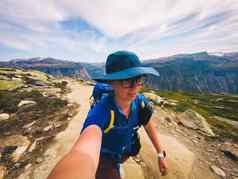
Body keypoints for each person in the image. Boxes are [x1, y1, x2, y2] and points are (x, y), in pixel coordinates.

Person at [47, 51, 168, 179]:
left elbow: (147, 123)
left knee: (119, 162)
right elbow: (83, 151)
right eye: (127, 82)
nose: (134, 88)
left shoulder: (140, 103)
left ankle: (118, 165)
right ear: (112, 82)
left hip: (126, 149)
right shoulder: (101, 111)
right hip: (104, 157)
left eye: (138, 80)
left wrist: (160, 154)